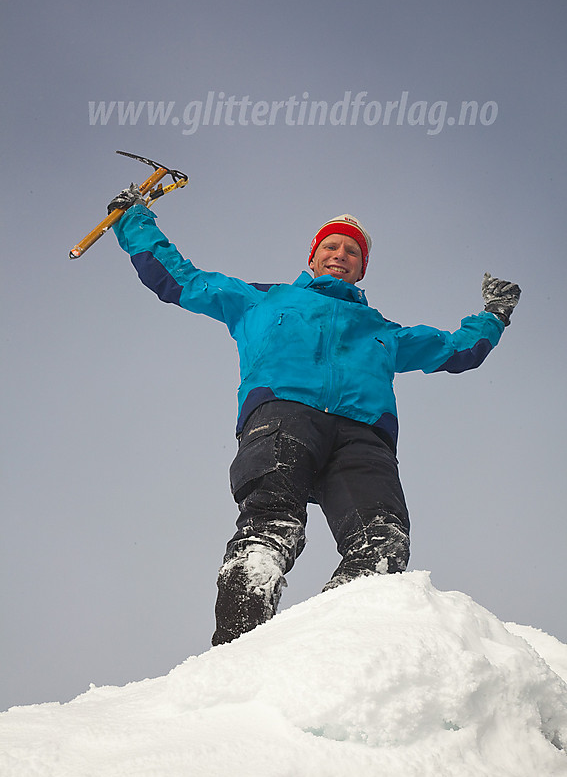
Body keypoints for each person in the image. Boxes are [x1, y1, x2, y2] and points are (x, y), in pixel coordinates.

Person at [107, 185, 521, 645]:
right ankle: (237, 654)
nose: (340, 254)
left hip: (364, 437)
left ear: (363, 267)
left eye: (351, 251)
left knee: (383, 543)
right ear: (313, 256)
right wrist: (133, 219)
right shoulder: (261, 300)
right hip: (284, 417)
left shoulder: (383, 331)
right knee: (271, 528)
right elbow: (178, 278)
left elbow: (457, 349)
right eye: (331, 246)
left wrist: (495, 315)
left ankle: (326, 648)